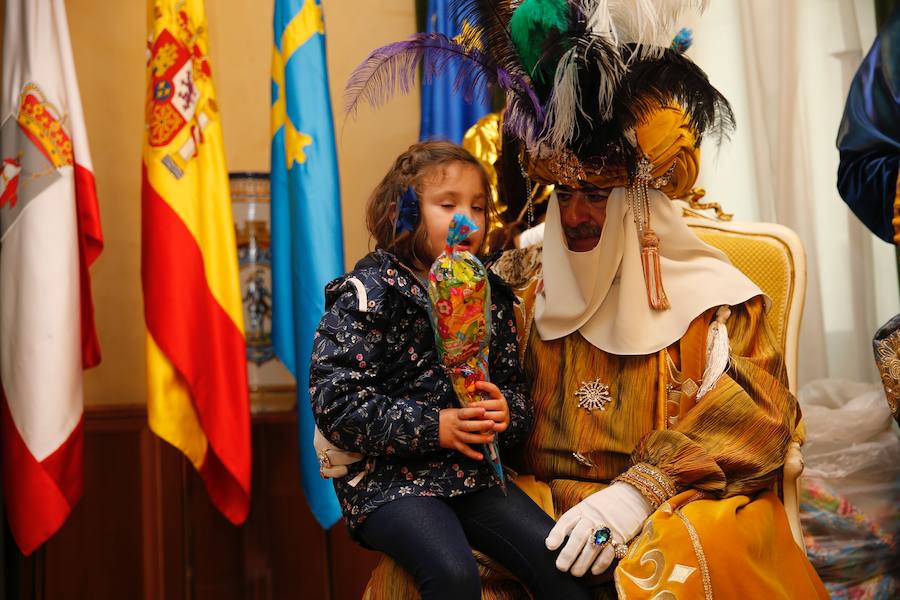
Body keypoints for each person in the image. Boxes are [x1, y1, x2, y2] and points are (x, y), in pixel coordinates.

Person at [345, 1, 830, 597]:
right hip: (538, 507)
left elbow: (759, 418)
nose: (574, 215)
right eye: (564, 192)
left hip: (668, 510)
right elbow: (424, 364)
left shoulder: (717, 302)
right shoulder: (514, 281)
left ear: (642, 202)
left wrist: (634, 496)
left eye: (598, 195)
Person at [309, 141, 592, 600]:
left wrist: (506, 414)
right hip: (388, 483)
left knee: (561, 567)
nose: (468, 220)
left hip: (472, 475)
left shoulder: (490, 295)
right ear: (405, 211)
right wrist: (434, 427)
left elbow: (513, 392)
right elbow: (336, 405)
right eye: (448, 205)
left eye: (478, 208)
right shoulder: (367, 293)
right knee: (453, 574)